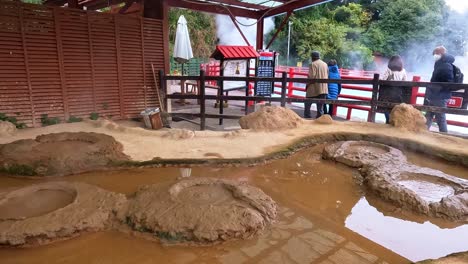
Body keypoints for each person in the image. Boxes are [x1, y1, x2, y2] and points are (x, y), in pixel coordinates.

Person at [425, 46, 454, 133]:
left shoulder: (446, 65)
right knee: (429, 115)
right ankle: (422, 133)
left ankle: (444, 136)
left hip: (440, 95)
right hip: (435, 95)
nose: (434, 56)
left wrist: (437, 89)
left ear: (440, 54)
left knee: (440, 117)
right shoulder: (439, 63)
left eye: (435, 54)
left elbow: (448, 82)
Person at [378, 55, 407, 124]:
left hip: (388, 93)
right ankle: (393, 120)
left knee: (386, 107)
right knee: (394, 107)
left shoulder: (389, 70)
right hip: (398, 94)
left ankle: (388, 120)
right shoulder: (403, 71)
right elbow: (405, 81)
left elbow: (383, 80)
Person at [305, 51, 328, 119]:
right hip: (324, 88)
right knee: (320, 107)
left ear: (312, 57)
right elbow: (327, 74)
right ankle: (319, 120)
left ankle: (307, 118)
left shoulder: (313, 64)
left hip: (314, 88)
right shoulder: (325, 64)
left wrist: (307, 85)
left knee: (307, 104)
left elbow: (311, 77)